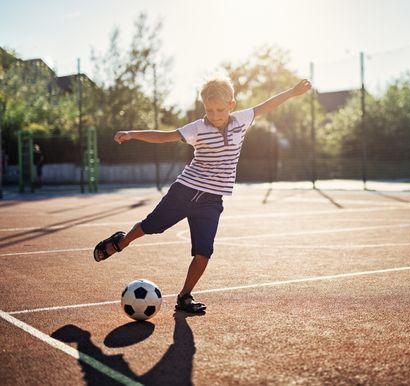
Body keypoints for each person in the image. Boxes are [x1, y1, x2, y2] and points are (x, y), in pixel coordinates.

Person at [93, 76, 311, 314]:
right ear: (204, 107)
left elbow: (267, 105)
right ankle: (120, 242)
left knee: (203, 253)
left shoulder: (242, 120)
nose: (215, 115)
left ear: (231, 105)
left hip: (211, 201)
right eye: (209, 110)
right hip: (185, 191)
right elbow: (165, 136)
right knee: (150, 226)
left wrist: (292, 92)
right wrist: (133, 133)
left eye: (220, 109)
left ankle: (184, 296)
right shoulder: (198, 128)